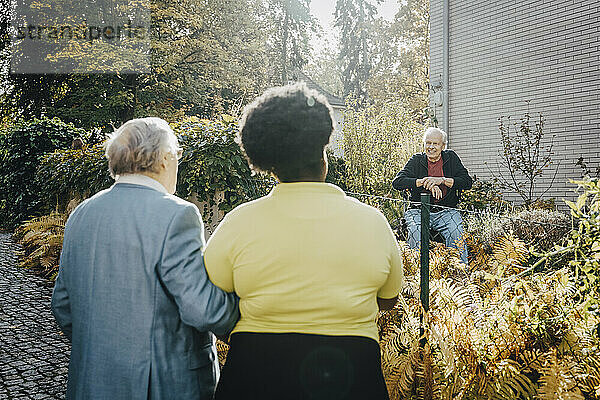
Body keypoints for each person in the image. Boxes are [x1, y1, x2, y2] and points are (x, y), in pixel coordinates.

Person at [203, 83, 404, 400]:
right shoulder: (374, 223)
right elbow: (388, 299)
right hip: (352, 374)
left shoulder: (238, 223)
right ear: (323, 157)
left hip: (253, 375)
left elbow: (211, 295)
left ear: (271, 167)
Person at [51, 117, 239, 400]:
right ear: (164, 159)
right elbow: (201, 308)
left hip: (91, 382)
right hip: (161, 386)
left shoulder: (82, 214)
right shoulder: (177, 215)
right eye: (177, 155)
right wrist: (247, 315)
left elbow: (63, 305)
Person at [392, 127, 473, 264]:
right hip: (418, 210)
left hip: (446, 211)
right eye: (428, 143)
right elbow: (397, 182)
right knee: (415, 231)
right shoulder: (416, 160)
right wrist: (423, 182)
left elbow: (467, 182)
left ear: (443, 145)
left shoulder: (451, 158)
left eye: (435, 143)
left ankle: (459, 273)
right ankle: (416, 269)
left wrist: (442, 180)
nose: (431, 147)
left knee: (456, 232)